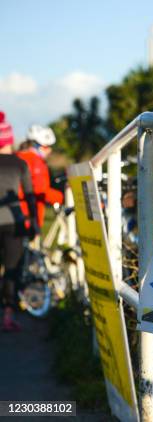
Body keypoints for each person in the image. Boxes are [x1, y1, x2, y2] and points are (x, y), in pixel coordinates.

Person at [0, 112, 38, 331]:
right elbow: (30, 196)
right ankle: (8, 315)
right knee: (11, 271)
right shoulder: (20, 163)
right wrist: (33, 222)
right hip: (14, 223)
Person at [17, 125, 64, 229]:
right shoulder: (36, 161)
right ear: (35, 145)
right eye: (46, 147)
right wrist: (62, 197)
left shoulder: (16, 156)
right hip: (28, 215)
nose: (49, 150)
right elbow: (41, 190)